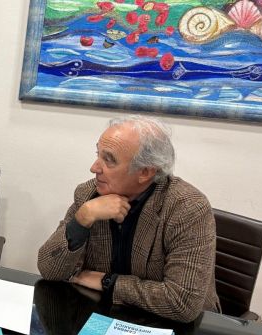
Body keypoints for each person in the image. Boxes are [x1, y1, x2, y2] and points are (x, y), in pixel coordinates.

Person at [37, 115, 220, 323]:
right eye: (98, 154)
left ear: (145, 172)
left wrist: (109, 282)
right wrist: (82, 219)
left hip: (176, 332)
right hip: (104, 320)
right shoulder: (89, 194)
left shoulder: (187, 208)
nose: (94, 167)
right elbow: (49, 270)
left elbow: (181, 303)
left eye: (109, 159)